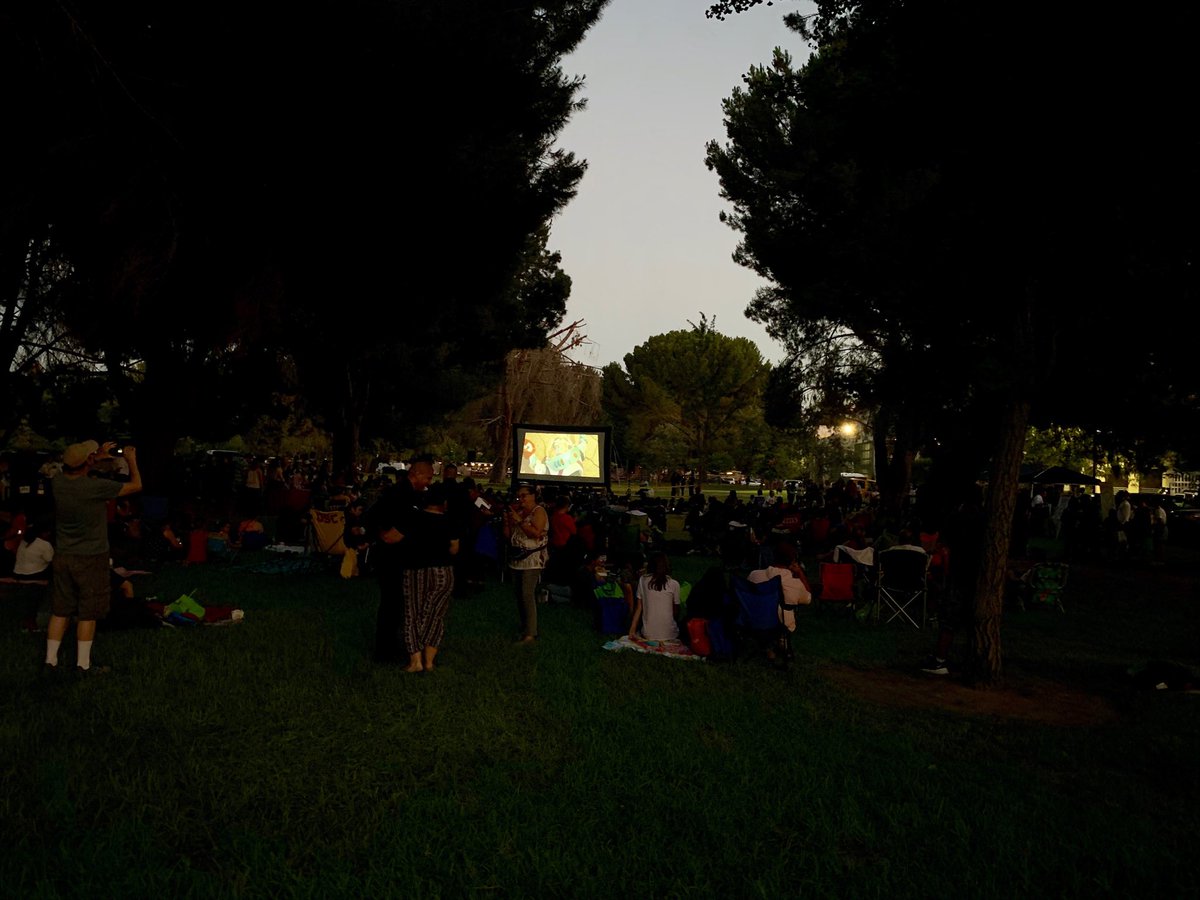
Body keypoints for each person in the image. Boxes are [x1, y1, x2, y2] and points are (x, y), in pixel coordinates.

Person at [43, 440, 142, 676]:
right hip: (91, 557)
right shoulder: (94, 488)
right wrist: (131, 460)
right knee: (88, 611)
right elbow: (136, 485)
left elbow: (75, 468)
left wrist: (95, 457)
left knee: (61, 610)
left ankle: (50, 662)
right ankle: (83, 665)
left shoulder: (57, 483)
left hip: (64, 555)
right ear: (88, 461)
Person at [367, 455, 434, 664]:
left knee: (394, 605)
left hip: (392, 554)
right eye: (428, 477)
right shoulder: (403, 495)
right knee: (392, 605)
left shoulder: (399, 492)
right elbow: (384, 520)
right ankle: (385, 652)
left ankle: (390, 647)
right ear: (417, 474)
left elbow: (373, 515)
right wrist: (387, 534)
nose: (429, 483)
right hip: (393, 557)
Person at [400, 483, 460, 672]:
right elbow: (454, 548)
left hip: (415, 569)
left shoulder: (413, 517)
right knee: (435, 615)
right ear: (444, 502)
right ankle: (429, 662)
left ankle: (415, 660)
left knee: (413, 613)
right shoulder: (449, 521)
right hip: (442, 571)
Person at [747, 542, 813, 658]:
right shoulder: (793, 583)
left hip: (752, 619)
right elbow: (808, 598)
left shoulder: (754, 574)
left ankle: (766, 646)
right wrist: (800, 573)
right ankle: (779, 641)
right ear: (792, 561)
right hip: (778, 625)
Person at [503, 484, 548, 644]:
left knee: (527, 593)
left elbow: (536, 533)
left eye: (524, 496)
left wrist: (520, 521)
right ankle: (525, 625)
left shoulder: (539, 511)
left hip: (532, 558)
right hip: (517, 557)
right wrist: (507, 521)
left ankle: (531, 633)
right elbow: (508, 536)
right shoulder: (518, 511)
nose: (521, 499)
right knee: (518, 594)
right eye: (519, 496)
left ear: (533, 496)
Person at [628, 551, 681, 641]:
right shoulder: (674, 584)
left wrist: (632, 629)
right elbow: (676, 611)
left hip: (648, 634)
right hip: (670, 634)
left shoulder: (643, 580)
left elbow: (639, 608)